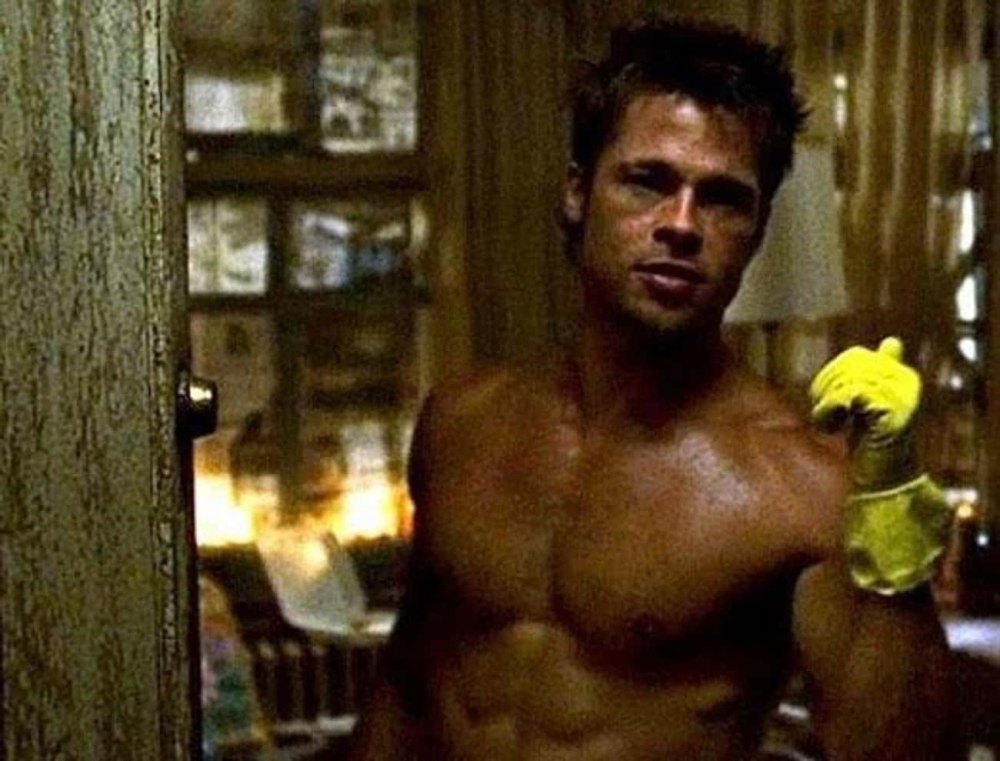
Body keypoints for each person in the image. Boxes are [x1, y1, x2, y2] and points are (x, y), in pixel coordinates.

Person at [350, 16, 957, 760]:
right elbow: (407, 685)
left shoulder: (800, 487)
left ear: (758, 231)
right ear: (578, 193)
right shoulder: (460, 422)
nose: (681, 225)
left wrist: (893, 541)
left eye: (723, 198)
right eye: (648, 181)